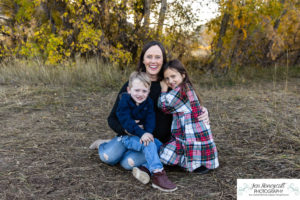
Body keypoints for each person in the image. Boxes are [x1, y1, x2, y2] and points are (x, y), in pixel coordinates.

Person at [89, 41, 210, 189]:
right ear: (143, 60)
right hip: (132, 135)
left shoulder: (170, 84)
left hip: (157, 145)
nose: (153, 61)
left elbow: (188, 104)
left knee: (128, 164)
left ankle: (124, 149)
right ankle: (105, 144)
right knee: (109, 157)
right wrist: (128, 130)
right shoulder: (135, 85)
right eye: (149, 56)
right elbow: (112, 118)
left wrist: (203, 111)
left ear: (163, 60)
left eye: (157, 57)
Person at [115, 71, 177, 191]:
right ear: (129, 90)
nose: (140, 94)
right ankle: (158, 174)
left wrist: (148, 132)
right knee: (148, 143)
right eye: (137, 90)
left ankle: (145, 168)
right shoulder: (124, 101)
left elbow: (150, 119)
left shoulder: (148, 102)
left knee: (160, 145)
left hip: (142, 136)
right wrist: (142, 134)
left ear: (148, 91)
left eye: (144, 91)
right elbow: (126, 122)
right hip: (128, 136)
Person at [158, 59, 219, 173]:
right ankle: (197, 163)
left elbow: (164, 106)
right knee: (177, 149)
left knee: (176, 150)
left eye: (173, 76)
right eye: (167, 78)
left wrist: (163, 89)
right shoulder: (186, 87)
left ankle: (199, 164)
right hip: (192, 132)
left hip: (193, 134)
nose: (170, 81)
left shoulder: (181, 91)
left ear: (183, 75)